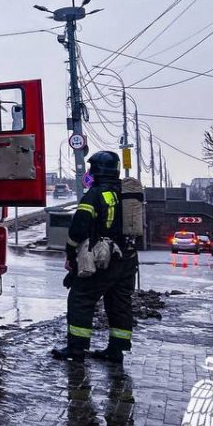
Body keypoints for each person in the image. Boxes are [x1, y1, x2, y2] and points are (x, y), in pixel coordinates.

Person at [52, 150, 138, 363]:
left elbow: (78, 230)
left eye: (92, 168)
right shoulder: (126, 195)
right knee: (119, 302)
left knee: (81, 299)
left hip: (103, 258)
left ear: (98, 170)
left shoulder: (95, 195)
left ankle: (76, 349)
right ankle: (116, 350)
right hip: (128, 257)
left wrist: (70, 253)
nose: (89, 171)